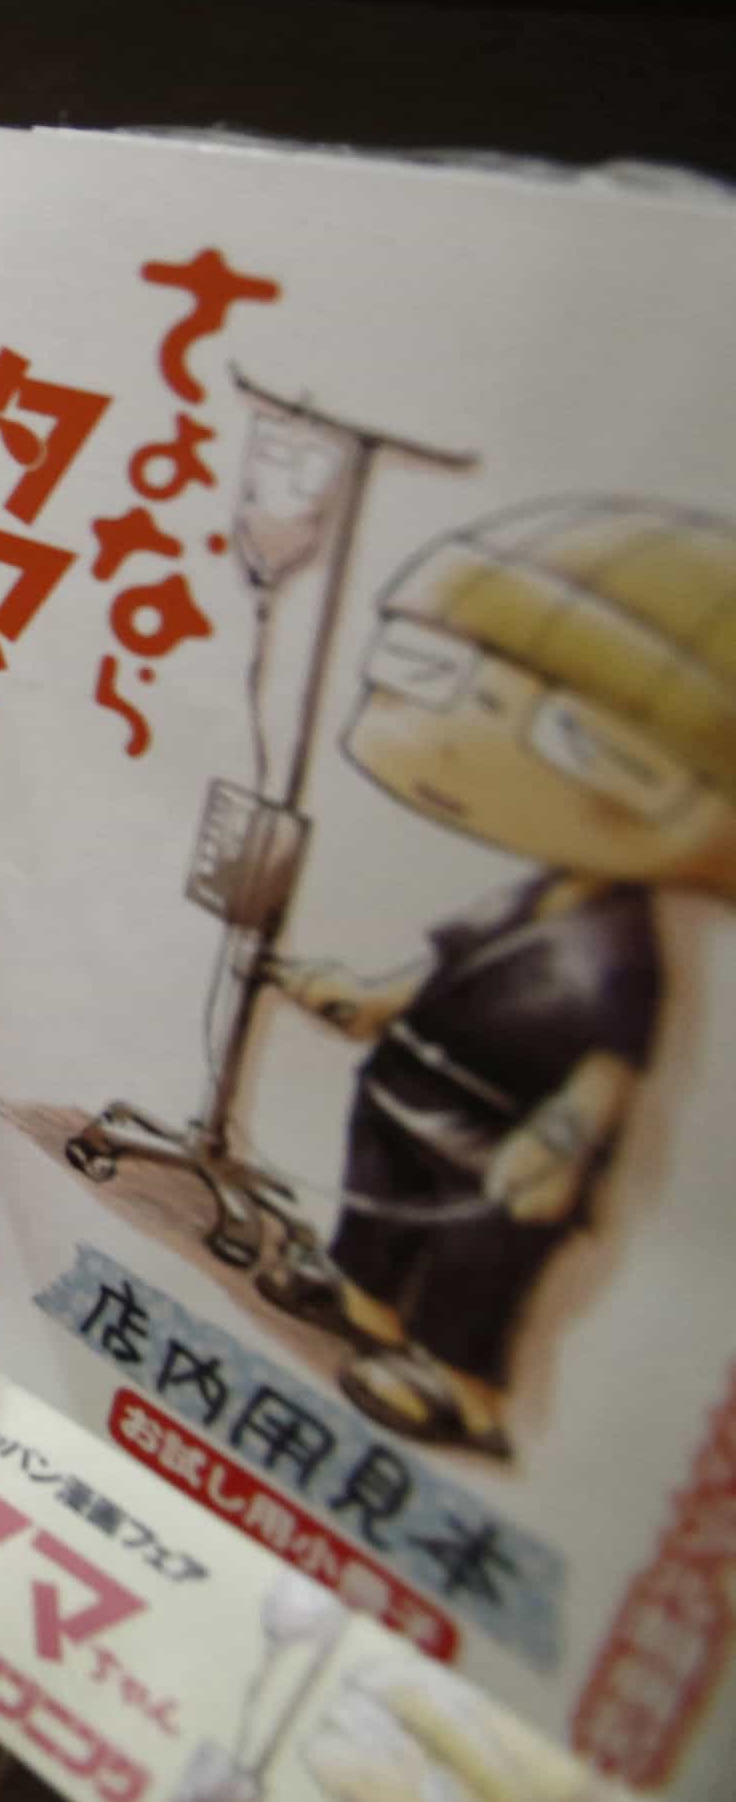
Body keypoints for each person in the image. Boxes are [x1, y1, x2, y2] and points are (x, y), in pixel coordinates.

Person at [253, 497, 736, 1459]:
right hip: (405, 1092)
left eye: (577, 740)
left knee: (479, 1266)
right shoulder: (525, 903)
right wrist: (368, 992)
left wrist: (562, 1136)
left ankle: (463, 1385)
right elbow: (441, 961)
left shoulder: (617, 954)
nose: (444, 742)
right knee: (371, 1203)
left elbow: (609, 1064)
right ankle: (363, 1298)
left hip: (492, 1142)